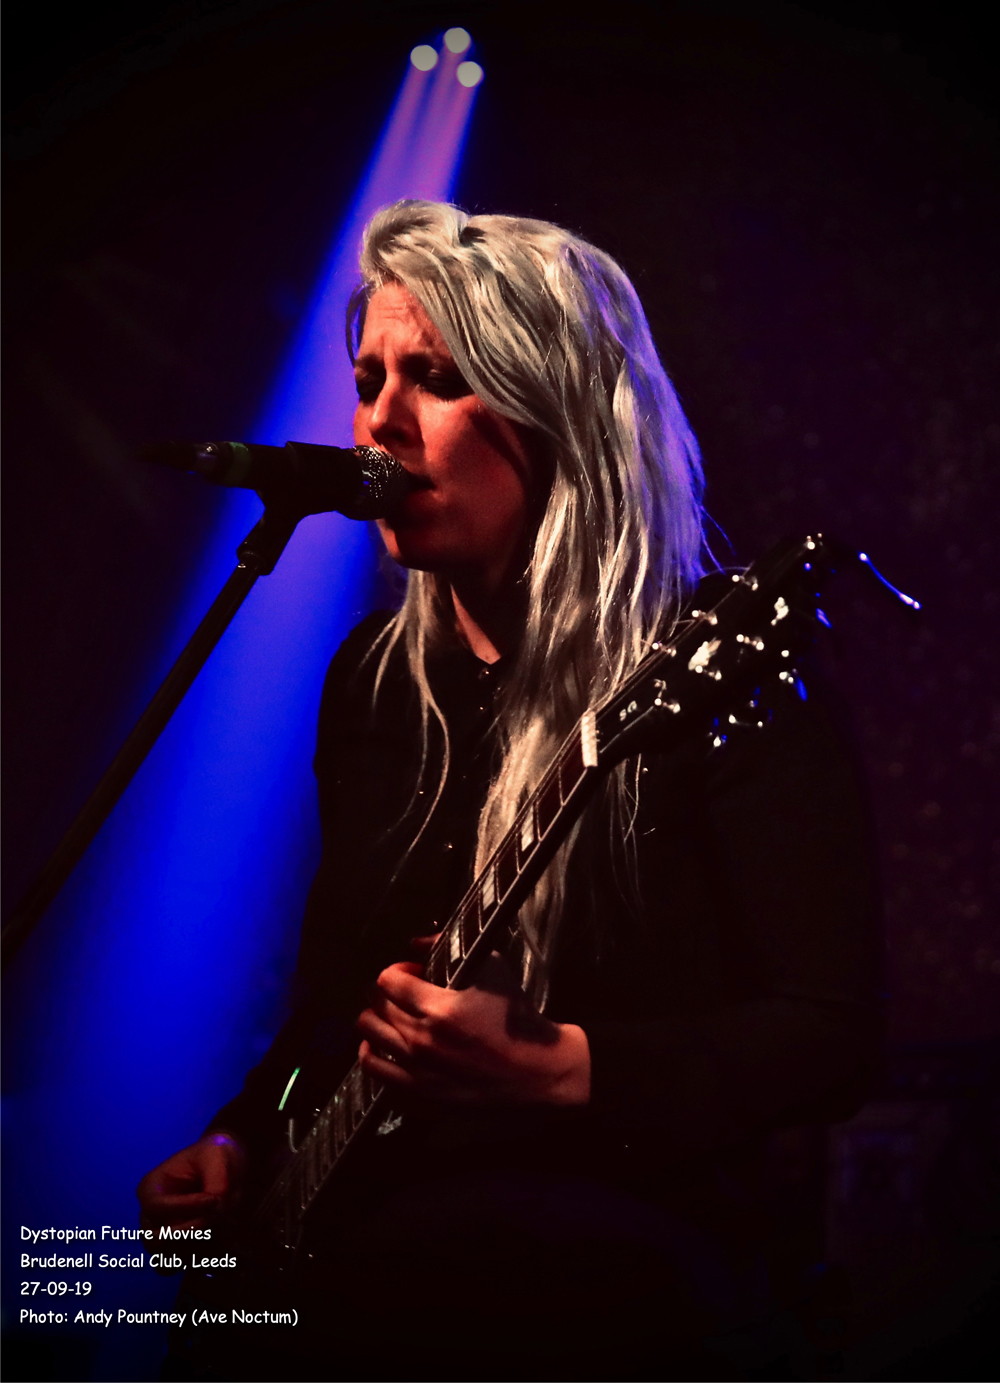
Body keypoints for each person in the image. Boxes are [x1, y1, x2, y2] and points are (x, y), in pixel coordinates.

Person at [139, 201, 882, 1382]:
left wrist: (570, 1070)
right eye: (369, 379)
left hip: (627, 1273)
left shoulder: (718, 672)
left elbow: (833, 1033)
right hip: (379, 1251)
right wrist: (243, 1135)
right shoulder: (375, 683)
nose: (379, 420)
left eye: (436, 379)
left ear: (558, 412)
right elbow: (339, 1002)